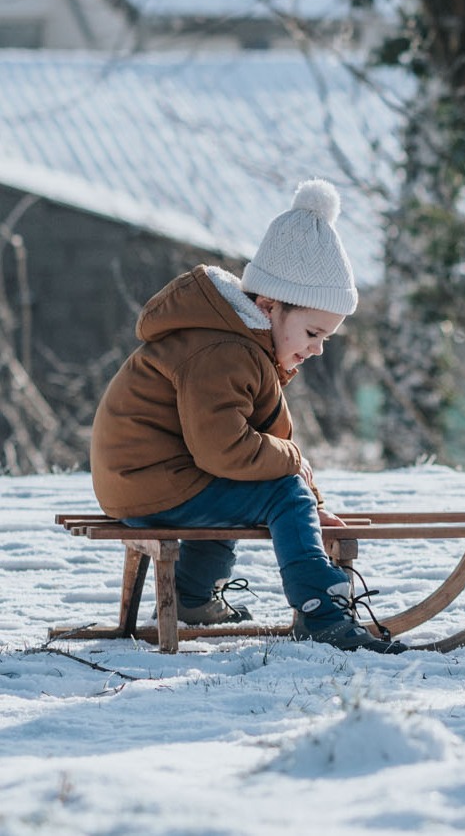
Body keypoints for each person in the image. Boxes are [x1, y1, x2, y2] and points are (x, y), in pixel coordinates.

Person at [91, 179, 404, 654]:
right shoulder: (223, 351)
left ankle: (193, 599)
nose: (317, 349)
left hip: (146, 479)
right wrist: (295, 481)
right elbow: (225, 449)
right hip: (149, 480)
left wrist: (312, 498)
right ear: (268, 306)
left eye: (327, 339)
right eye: (312, 332)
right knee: (276, 490)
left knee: (262, 486)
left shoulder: (244, 345)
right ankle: (320, 608)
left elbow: (270, 436)